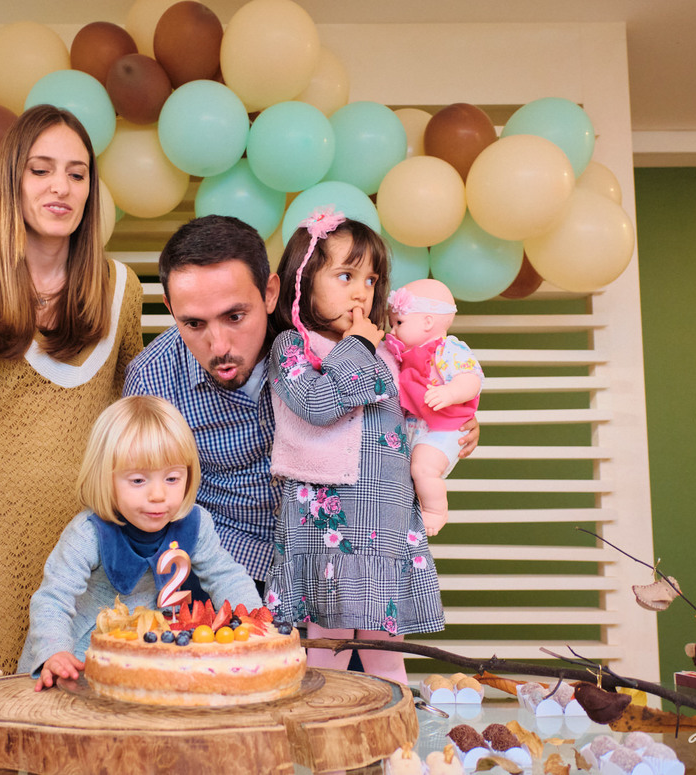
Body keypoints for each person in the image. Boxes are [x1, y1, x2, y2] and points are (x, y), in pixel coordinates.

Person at [123, 215, 479, 589]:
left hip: (336, 560)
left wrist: (449, 422)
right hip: (223, 564)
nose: (220, 345)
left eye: (235, 316)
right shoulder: (152, 379)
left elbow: (394, 417)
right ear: (170, 307)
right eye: (194, 324)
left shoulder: (323, 338)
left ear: (270, 293)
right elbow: (141, 502)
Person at [0, 104, 144, 674]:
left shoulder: (122, 290)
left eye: (77, 173)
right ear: (11, 179)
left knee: (93, 712)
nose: (60, 187)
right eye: (41, 170)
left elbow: (133, 430)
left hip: (94, 551)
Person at [263, 207, 443, 686]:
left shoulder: (385, 350)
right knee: (329, 648)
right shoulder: (293, 347)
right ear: (303, 280)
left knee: (387, 651)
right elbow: (316, 403)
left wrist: (457, 424)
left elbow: (414, 410)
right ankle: (325, 730)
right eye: (345, 276)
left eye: (370, 280)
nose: (362, 292)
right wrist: (358, 346)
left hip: (387, 514)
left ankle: (396, 728)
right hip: (329, 522)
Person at [17, 395, 261, 689]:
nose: (158, 495)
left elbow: (227, 577)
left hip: (143, 663)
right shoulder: (88, 534)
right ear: (105, 479)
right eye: (138, 481)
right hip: (76, 661)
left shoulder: (196, 525)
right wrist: (55, 652)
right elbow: (53, 599)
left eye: (172, 479)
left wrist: (254, 623)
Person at [385, 278, 483, 537]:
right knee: (413, 472)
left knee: (423, 469)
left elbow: (471, 379)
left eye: (399, 323)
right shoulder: (402, 355)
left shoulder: (449, 350)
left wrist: (450, 392)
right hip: (416, 428)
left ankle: (436, 511)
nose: (392, 330)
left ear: (428, 322)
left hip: (444, 428)